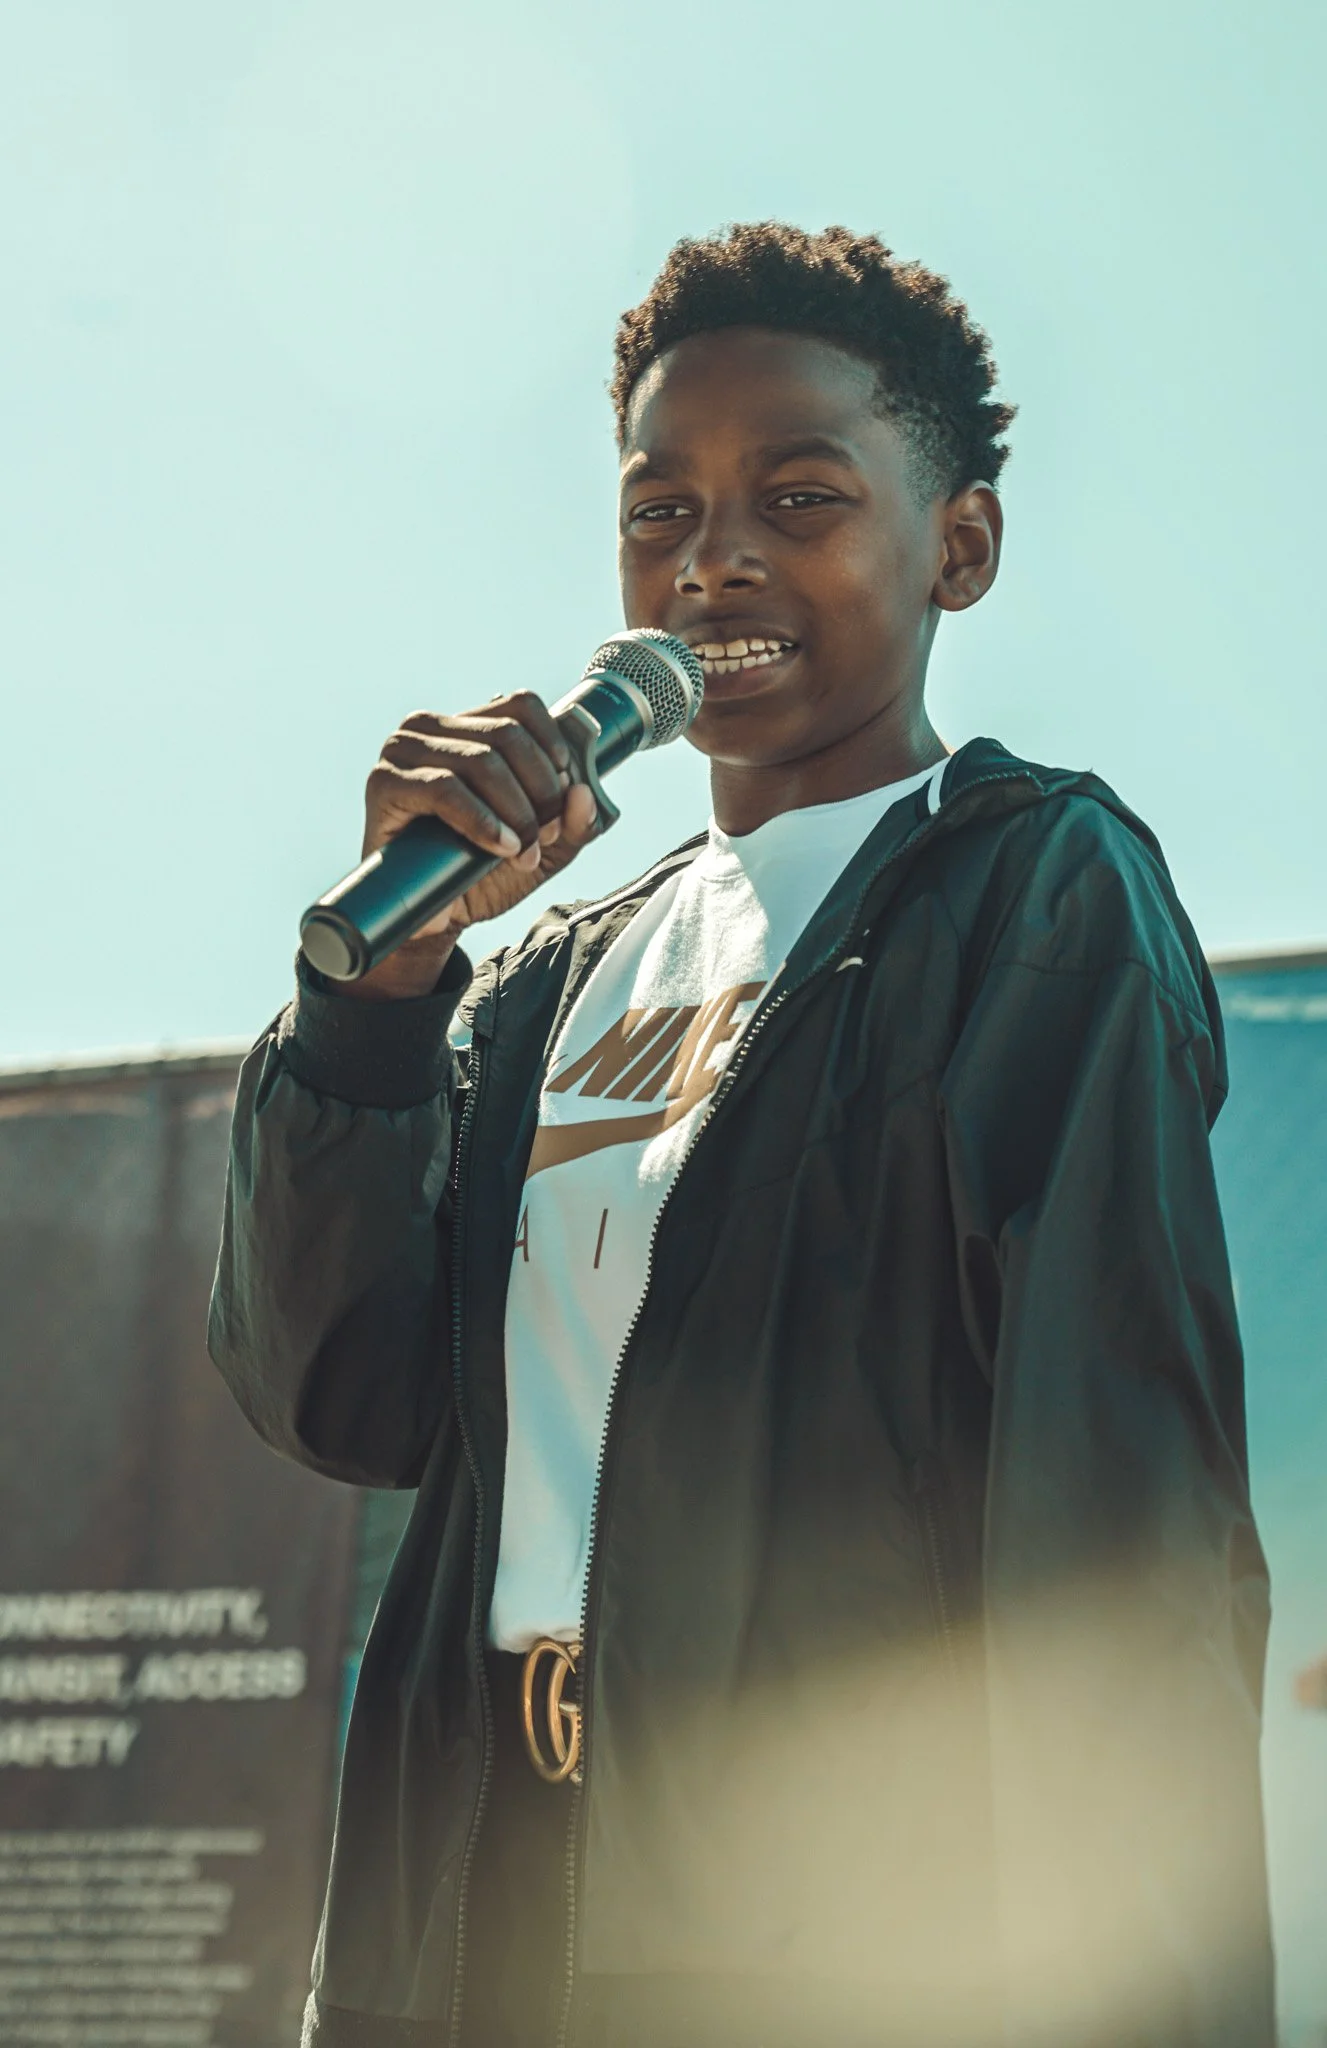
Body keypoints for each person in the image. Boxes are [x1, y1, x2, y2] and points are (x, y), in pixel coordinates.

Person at [210, 223, 1274, 2048]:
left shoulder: (1031, 891)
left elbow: (1118, 1514)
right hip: (474, 1900)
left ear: (957, 548)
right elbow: (343, 1401)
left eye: (799, 498)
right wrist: (374, 1006)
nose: (714, 558)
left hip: (823, 1933)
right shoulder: (546, 975)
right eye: (662, 512)